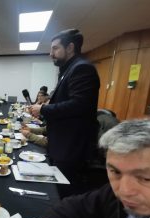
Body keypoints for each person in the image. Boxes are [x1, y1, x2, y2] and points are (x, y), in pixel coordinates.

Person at [26, 119, 150, 218]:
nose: (124, 191)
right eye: (115, 172)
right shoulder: (114, 195)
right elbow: (78, 206)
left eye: (145, 178)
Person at [30, 29, 100, 197]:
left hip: (71, 147)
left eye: (55, 48)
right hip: (62, 143)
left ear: (70, 47)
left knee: (64, 193)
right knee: (57, 190)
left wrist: (44, 109)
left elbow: (79, 104)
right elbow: (69, 101)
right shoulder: (69, 69)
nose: (50, 53)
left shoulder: (81, 68)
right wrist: (47, 104)